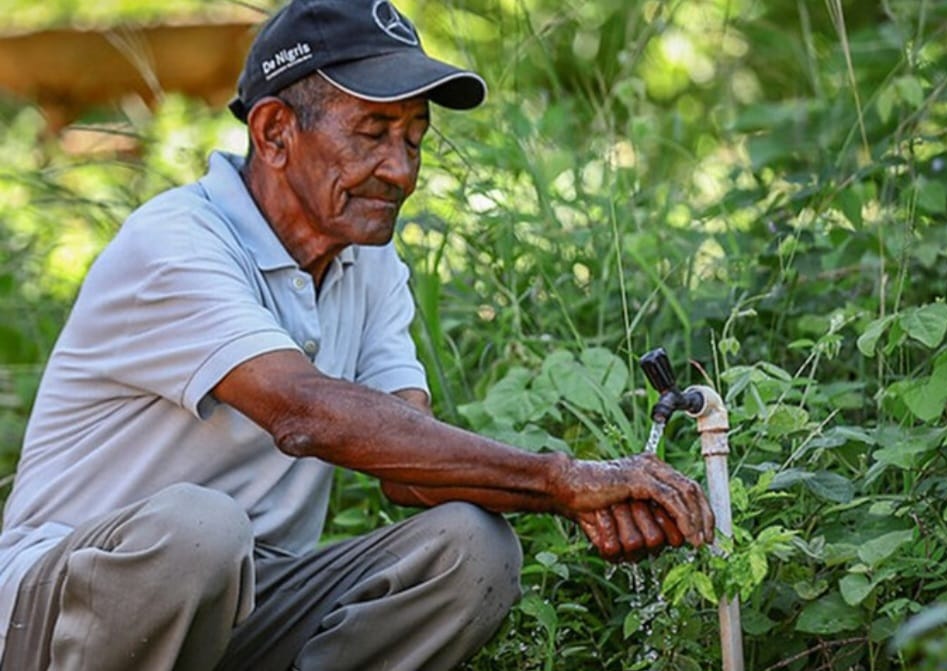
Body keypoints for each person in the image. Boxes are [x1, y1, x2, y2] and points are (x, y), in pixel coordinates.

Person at [0, 0, 715, 669]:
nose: (400, 171)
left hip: (245, 598)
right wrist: (563, 479)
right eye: (373, 134)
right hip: (62, 614)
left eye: (413, 139)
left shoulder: (367, 260)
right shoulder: (177, 242)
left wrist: (593, 492)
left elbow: (408, 463)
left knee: (471, 546)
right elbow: (303, 413)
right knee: (201, 529)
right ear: (275, 132)